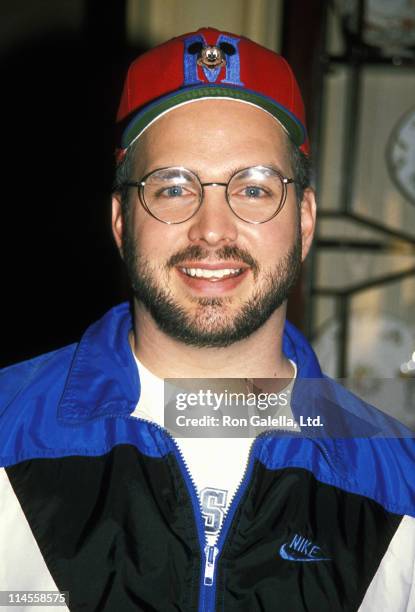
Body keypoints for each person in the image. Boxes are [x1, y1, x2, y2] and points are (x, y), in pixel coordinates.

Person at [0, 27, 414, 612]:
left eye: (253, 188)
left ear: (304, 219)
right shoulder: (8, 432)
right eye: (172, 188)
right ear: (121, 221)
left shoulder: (401, 487)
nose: (212, 230)